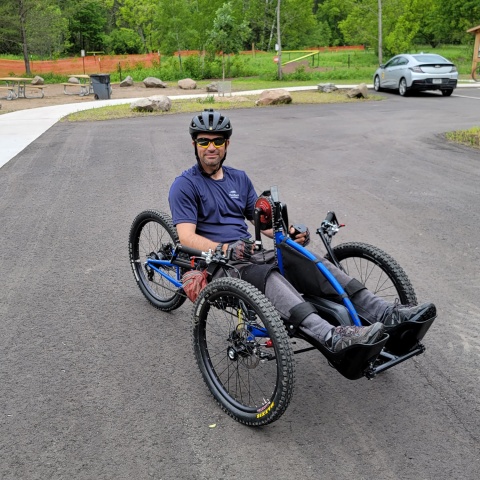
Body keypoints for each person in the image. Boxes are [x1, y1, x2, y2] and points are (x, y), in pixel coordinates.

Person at [168, 109, 436, 353]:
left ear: (227, 144)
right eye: (204, 141)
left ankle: (386, 312)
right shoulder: (185, 185)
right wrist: (225, 248)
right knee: (267, 276)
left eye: (217, 141)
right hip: (216, 262)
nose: (211, 147)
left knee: (311, 261)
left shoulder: (239, 178)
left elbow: (262, 222)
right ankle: (330, 335)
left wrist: (290, 232)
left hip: (249, 252)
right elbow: (186, 237)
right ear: (195, 145)